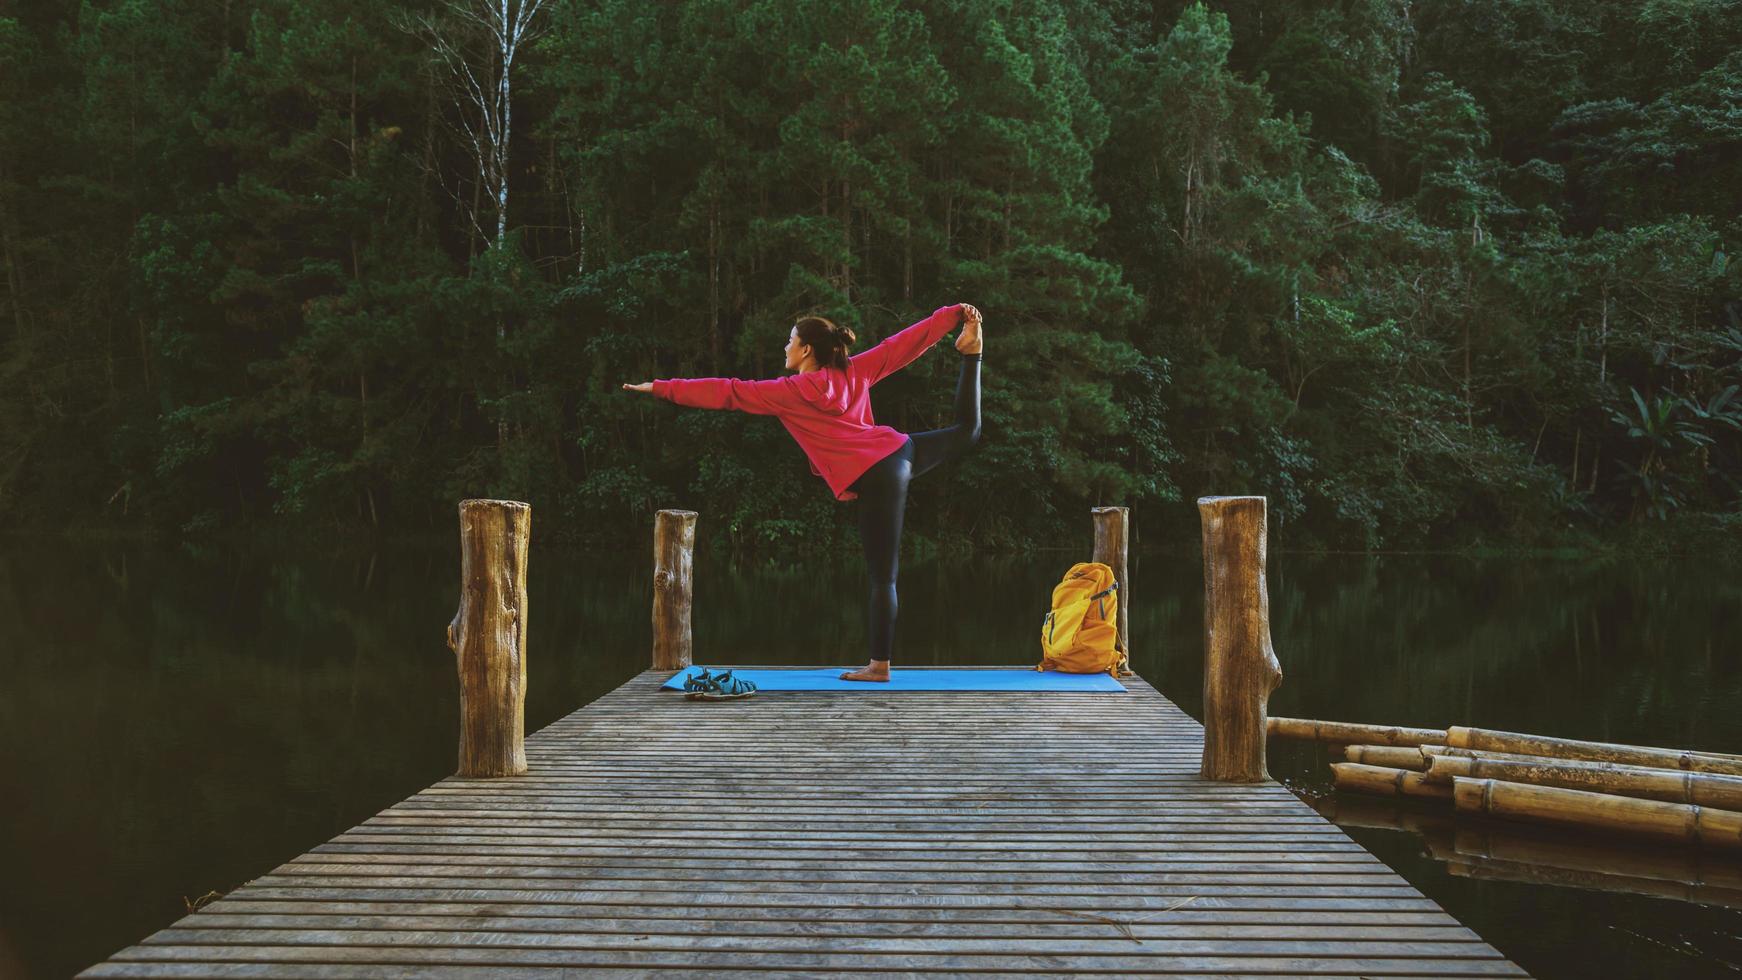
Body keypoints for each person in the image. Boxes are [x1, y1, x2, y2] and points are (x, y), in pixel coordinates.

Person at [621, 303, 984, 681]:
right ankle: (972, 354)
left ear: (806, 349)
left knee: (883, 577)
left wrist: (661, 388)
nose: (785, 347)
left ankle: (879, 667)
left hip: (877, 473)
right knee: (967, 432)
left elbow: (727, 392)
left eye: (790, 341)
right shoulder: (854, 371)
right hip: (899, 452)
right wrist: (954, 314)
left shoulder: (789, 392)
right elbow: (903, 345)